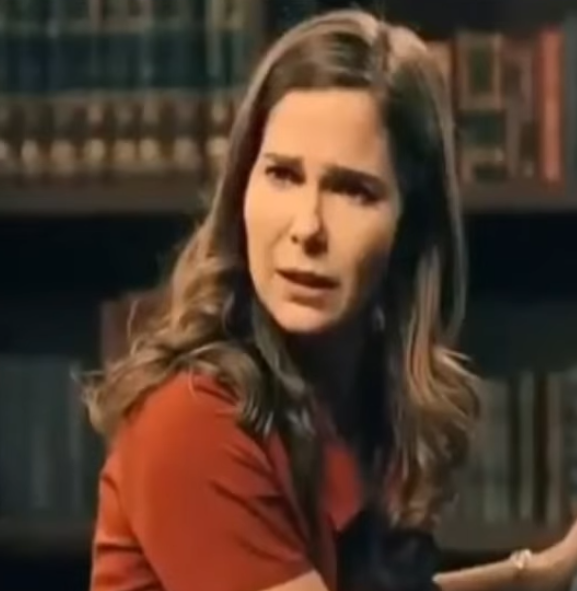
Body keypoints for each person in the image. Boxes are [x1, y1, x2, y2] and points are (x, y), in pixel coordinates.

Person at [87, 8, 577, 591]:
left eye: (352, 190)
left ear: (411, 227)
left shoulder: (352, 396)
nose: (307, 228)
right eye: (283, 175)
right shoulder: (193, 421)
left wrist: (538, 575)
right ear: (242, 187)